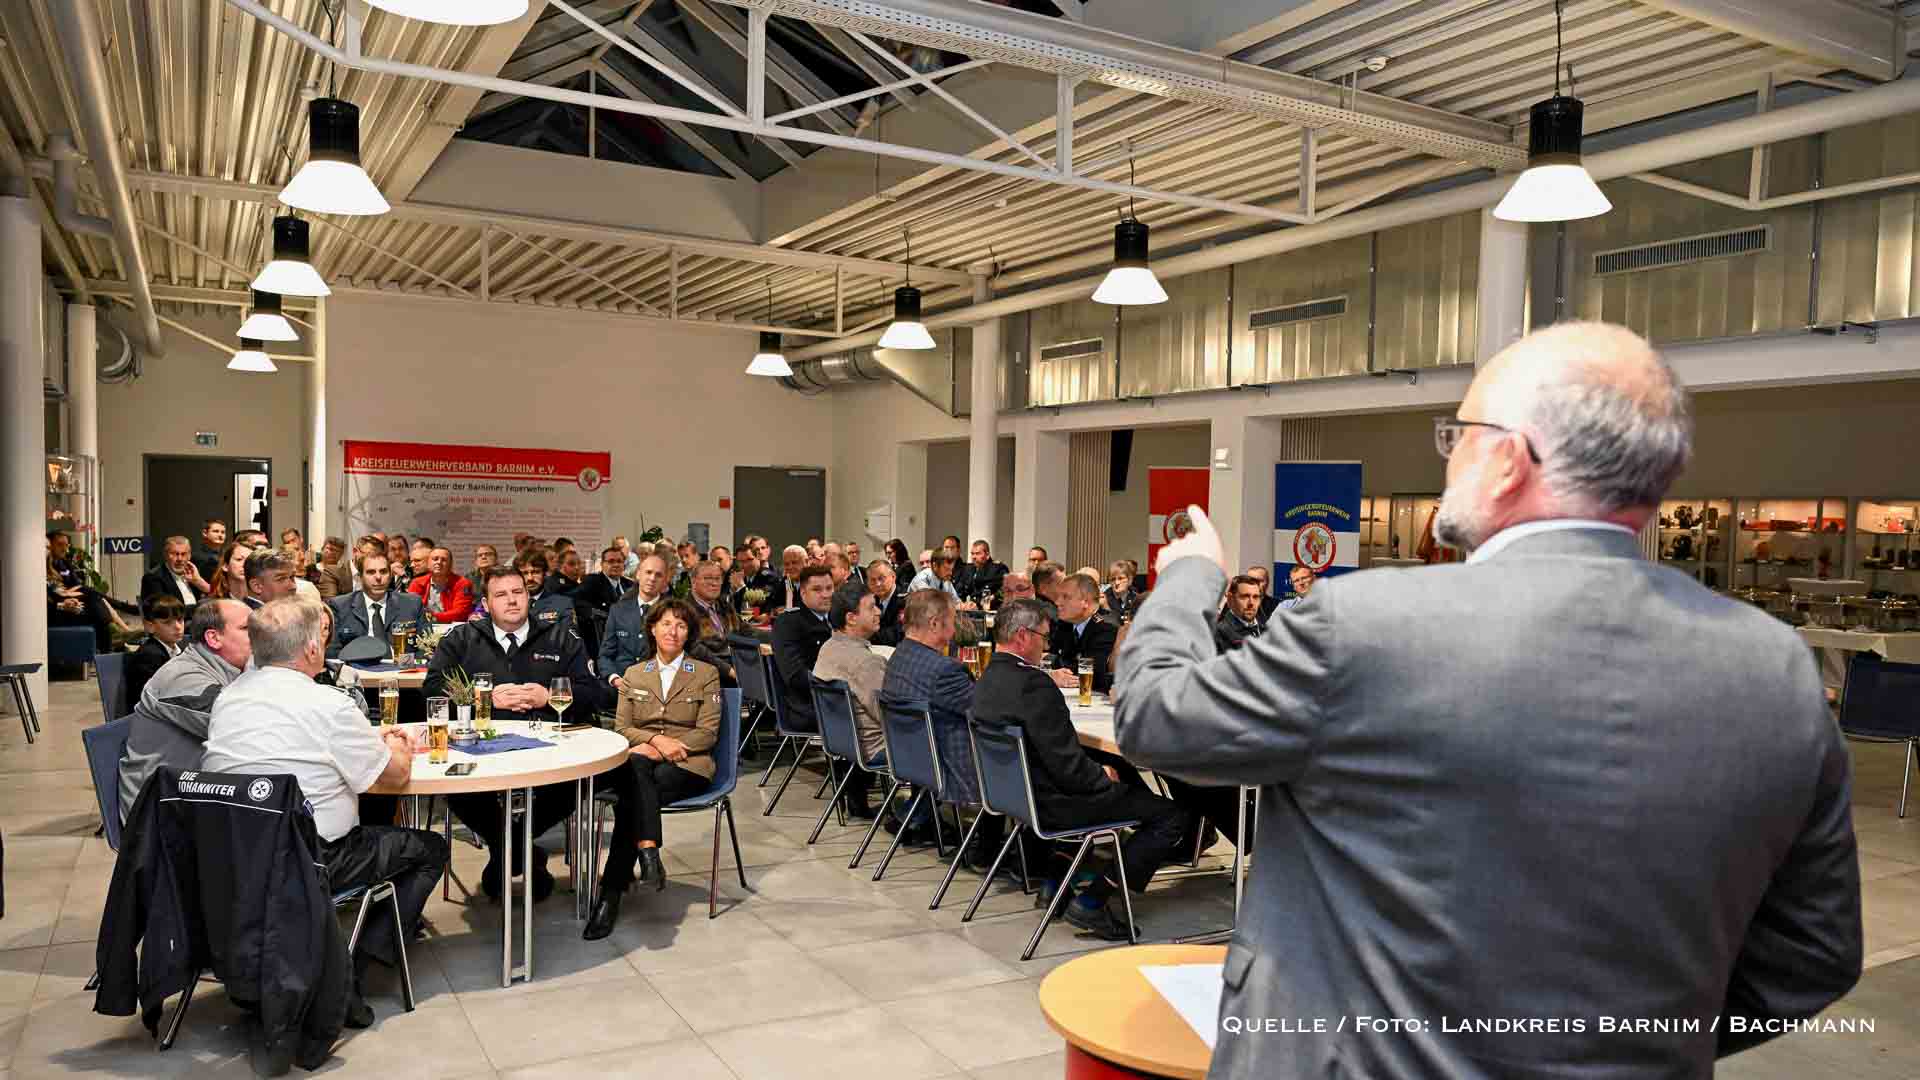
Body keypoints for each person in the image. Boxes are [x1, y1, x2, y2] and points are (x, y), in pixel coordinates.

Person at [1114, 322, 1862, 1078]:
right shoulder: (1776, 670)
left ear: (1508, 458)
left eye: (1459, 434)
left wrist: (1187, 577)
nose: (1450, 457)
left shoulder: (1366, 625)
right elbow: (1813, 955)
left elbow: (1155, 716)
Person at [200, 598, 448, 1027]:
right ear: (313, 650)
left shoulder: (228, 698)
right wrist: (395, 746)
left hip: (236, 856)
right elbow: (391, 778)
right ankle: (354, 964)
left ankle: (334, 952)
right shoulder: (329, 705)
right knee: (428, 847)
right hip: (313, 858)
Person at [975, 598, 1192, 940]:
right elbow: (1070, 769)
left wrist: (1099, 769)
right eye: (1043, 638)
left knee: (1117, 772)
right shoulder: (1035, 685)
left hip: (1017, 796)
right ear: (1022, 636)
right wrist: (1100, 775)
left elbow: (1060, 757)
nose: (1047, 645)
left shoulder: (987, 677)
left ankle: (1054, 883)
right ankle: (1092, 902)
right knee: (1171, 816)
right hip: (1054, 803)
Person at [429, 567, 608, 900]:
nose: (512, 600)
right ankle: (522, 852)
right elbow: (432, 692)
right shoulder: (461, 640)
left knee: (579, 781)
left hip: (550, 751)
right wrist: (483, 697)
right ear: (486, 603)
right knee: (454, 785)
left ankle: (505, 850)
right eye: (501, 595)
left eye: (518, 592)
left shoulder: (561, 638)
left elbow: (593, 695)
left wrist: (549, 696)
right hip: (480, 750)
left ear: (528, 596)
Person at [584, 599, 722, 938]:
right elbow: (622, 727)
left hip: (688, 763)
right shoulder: (634, 674)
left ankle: (611, 895)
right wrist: (658, 742)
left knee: (631, 791)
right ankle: (646, 853)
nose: (673, 631)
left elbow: (707, 732)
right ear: (652, 629)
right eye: (666, 624)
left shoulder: (705, 673)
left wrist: (661, 748)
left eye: (681, 625)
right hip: (645, 759)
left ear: (689, 633)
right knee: (636, 778)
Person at [116, 598, 251, 821]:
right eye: (247, 629)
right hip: (159, 813)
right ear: (214, 638)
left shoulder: (228, 670)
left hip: (194, 793)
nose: (259, 637)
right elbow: (236, 726)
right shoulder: (181, 677)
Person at [879, 590, 981, 848]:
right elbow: (987, 711)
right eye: (953, 618)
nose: (956, 624)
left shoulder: (899, 656)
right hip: (954, 768)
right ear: (935, 623)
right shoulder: (945, 670)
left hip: (913, 761)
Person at [813, 581, 888, 819]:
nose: (878, 611)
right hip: (875, 747)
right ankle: (917, 818)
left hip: (843, 743)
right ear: (851, 618)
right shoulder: (867, 662)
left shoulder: (827, 648)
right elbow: (888, 716)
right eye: (871, 607)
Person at [770, 566, 835, 734]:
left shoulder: (840, 618)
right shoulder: (789, 623)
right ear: (803, 593)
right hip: (808, 705)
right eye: (817, 589)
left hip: (836, 698)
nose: (826, 594)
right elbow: (796, 676)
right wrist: (838, 687)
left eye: (829, 588)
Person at [328, 551, 425, 659]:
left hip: (403, 671)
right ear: (360, 577)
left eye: (383, 572)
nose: (378, 577)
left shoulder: (412, 604)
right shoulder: (340, 606)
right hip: (358, 671)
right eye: (371, 572)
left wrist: (407, 668)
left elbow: (426, 648)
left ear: (390, 575)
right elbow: (332, 652)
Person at [601, 554, 670, 690]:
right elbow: (605, 655)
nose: (652, 578)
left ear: (665, 581)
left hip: (658, 687)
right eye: (648, 572)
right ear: (638, 574)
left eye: (658, 575)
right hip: (620, 685)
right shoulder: (618, 610)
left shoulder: (672, 611)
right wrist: (614, 679)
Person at [47, 530, 124, 651]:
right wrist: (62, 604)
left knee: (93, 601)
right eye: (59, 544)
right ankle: (114, 640)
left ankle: (112, 647)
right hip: (53, 615)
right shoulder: (40, 572)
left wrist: (66, 598)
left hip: (67, 604)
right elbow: (49, 600)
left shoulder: (57, 567)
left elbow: (65, 590)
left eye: (66, 545)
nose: (64, 549)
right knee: (96, 611)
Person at [1048, 573, 1118, 693]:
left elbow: (1091, 673)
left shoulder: (1106, 626)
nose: (1057, 602)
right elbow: (1054, 657)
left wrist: (1055, 666)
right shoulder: (1065, 624)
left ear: (1085, 602)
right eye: (1058, 596)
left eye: (1065, 597)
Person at [124, 594, 188, 708]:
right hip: (150, 717)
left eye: (180, 620)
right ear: (150, 627)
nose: (178, 627)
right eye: (168, 622)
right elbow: (158, 699)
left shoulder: (179, 648)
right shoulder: (149, 656)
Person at [141, 536, 210, 608]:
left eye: (183, 554)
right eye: (174, 554)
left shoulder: (195, 574)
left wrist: (199, 582)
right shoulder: (153, 578)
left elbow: (217, 599)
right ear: (165, 555)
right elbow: (162, 611)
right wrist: (198, 609)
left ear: (189, 556)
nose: (179, 559)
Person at [409, 546, 475, 623]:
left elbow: (460, 613)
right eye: (435, 559)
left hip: (453, 629)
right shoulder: (417, 583)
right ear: (428, 564)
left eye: (444, 560)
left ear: (450, 565)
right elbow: (411, 609)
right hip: (423, 628)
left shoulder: (463, 583)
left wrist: (432, 617)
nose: (439, 562)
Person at [1212, 574, 1265, 652]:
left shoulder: (1268, 631)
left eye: (1255, 597)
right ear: (1230, 599)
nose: (1251, 603)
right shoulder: (1217, 634)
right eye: (1245, 597)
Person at [577, 546, 633, 617]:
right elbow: (580, 605)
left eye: (619, 561)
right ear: (602, 564)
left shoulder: (630, 584)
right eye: (611, 561)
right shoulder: (591, 582)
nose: (616, 565)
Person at [955, 540, 1008, 607]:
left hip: (991, 610)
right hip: (971, 610)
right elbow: (960, 591)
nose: (974, 557)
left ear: (987, 555)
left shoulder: (998, 569)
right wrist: (962, 604)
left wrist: (992, 598)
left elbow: (1005, 590)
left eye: (977, 554)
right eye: (972, 554)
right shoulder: (968, 569)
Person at [866, 561, 904, 647]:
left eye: (881, 578)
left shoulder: (905, 600)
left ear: (893, 577)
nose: (877, 584)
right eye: (872, 580)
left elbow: (896, 635)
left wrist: (864, 635)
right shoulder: (870, 601)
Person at [733, 546, 780, 614]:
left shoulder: (769, 577)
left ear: (758, 558)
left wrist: (741, 587)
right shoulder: (739, 577)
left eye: (749, 559)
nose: (745, 565)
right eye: (741, 561)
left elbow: (758, 600)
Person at [1101, 560, 1142, 624]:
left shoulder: (1137, 599)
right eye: (1113, 579)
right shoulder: (1103, 600)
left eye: (1120, 578)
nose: (1116, 583)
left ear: (1130, 580)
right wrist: (1107, 609)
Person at [771, 545, 808, 610]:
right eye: (787, 564)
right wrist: (775, 611)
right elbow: (772, 602)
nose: (790, 567)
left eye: (794, 562)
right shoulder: (786, 581)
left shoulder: (814, 581)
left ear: (806, 562)